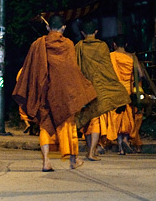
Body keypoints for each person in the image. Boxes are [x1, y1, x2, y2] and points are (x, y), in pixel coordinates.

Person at [13, 15, 97, 172]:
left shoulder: (38, 44)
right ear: (63, 28)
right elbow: (72, 71)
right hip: (63, 93)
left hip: (44, 91)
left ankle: (46, 161)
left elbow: (31, 70)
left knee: (45, 125)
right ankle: (73, 159)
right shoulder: (68, 44)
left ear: (47, 28)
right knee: (68, 125)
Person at [75, 20, 131, 161]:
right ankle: (91, 152)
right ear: (96, 32)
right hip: (99, 88)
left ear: (82, 33)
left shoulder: (79, 47)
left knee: (88, 120)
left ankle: (90, 149)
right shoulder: (102, 47)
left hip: (84, 87)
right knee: (95, 120)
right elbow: (107, 70)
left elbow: (75, 68)